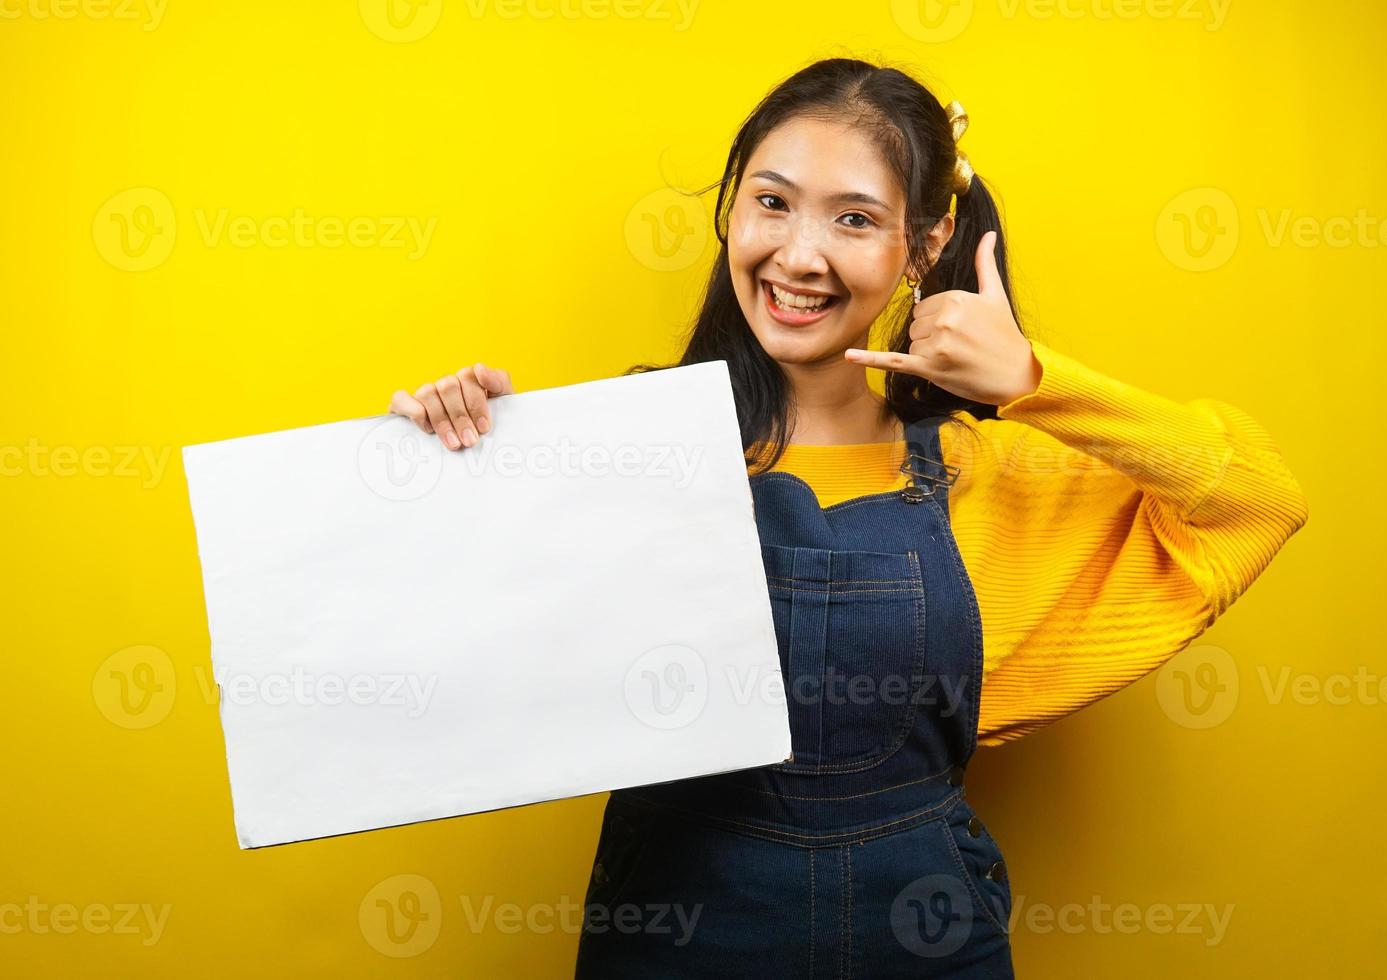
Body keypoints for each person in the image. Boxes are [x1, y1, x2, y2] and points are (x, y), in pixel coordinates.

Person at [388, 57, 1309, 979]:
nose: (797, 255)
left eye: (855, 219)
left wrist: (1034, 381)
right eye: (773, 202)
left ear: (926, 245)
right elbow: (451, 650)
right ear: (732, 208)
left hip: (925, 937)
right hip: (674, 935)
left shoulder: (983, 473)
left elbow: (1257, 500)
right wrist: (448, 458)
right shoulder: (636, 450)